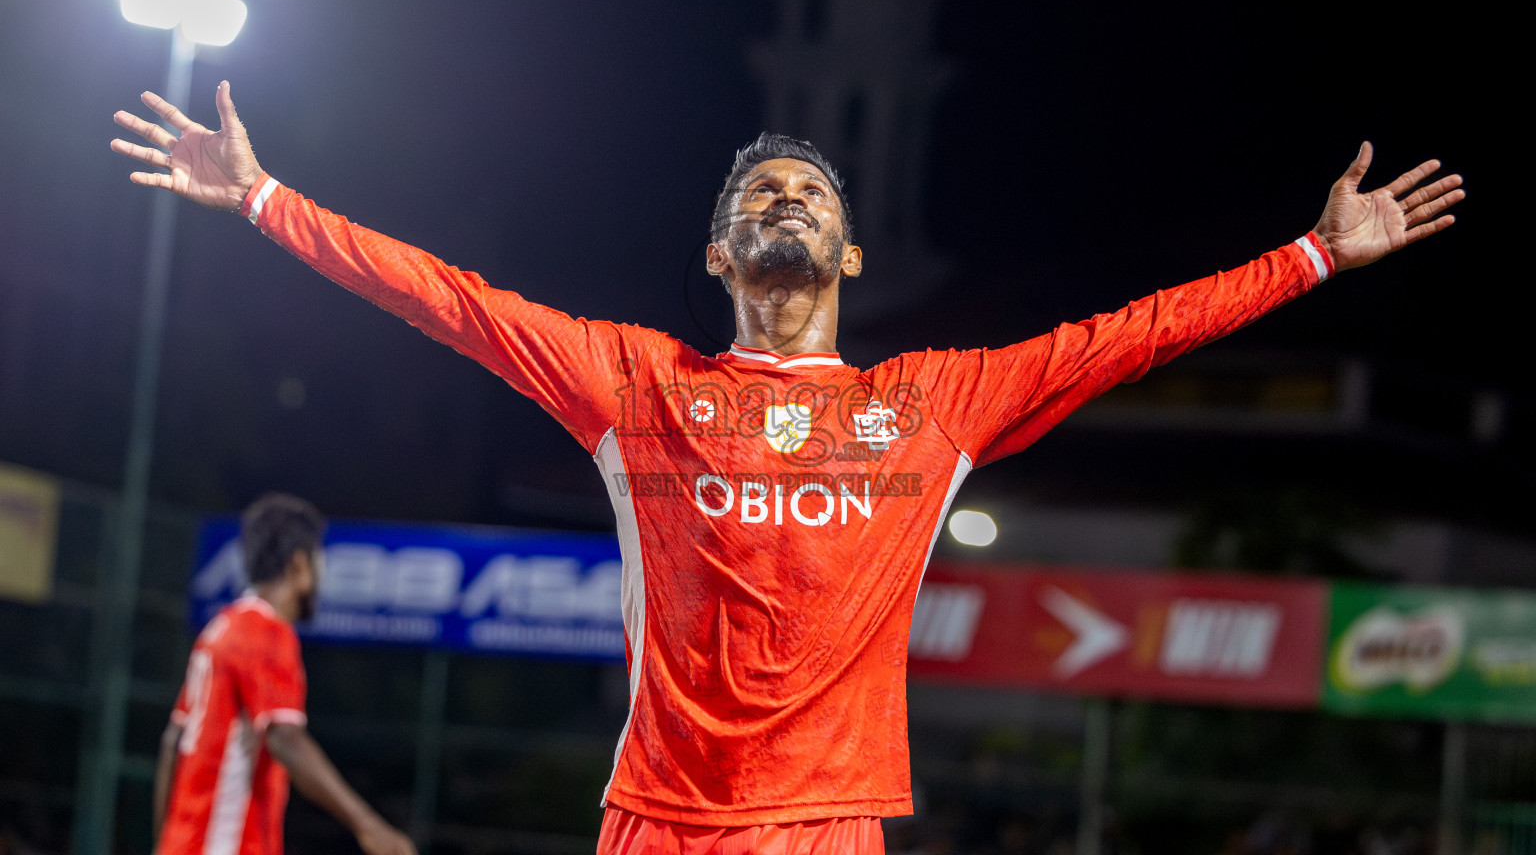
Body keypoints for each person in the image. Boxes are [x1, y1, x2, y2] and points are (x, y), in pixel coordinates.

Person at [114, 83, 1462, 855]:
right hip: (653, 818)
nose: (787, 201)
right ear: (717, 258)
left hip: (826, 827)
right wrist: (266, 202)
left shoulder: (930, 405)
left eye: (812, 194)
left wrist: (1316, 258)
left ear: (852, 257)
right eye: (758, 194)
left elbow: (1133, 335)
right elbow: (451, 301)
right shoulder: (635, 385)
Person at [153, 492, 416, 855]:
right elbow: (284, 738)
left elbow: (173, 741)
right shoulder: (267, 633)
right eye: (318, 561)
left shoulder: (220, 628)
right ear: (298, 566)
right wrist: (370, 827)